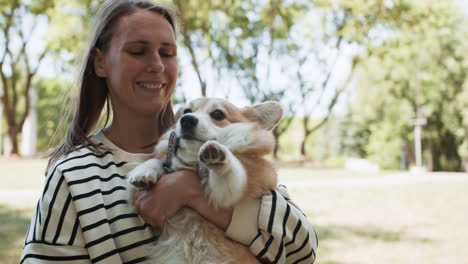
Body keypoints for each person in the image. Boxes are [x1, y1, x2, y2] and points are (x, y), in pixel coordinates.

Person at [20, 0, 318, 263]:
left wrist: (189, 190)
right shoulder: (73, 175)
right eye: (137, 51)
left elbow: (302, 249)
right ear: (100, 62)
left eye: (168, 53)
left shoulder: (227, 153)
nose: (157, 65)